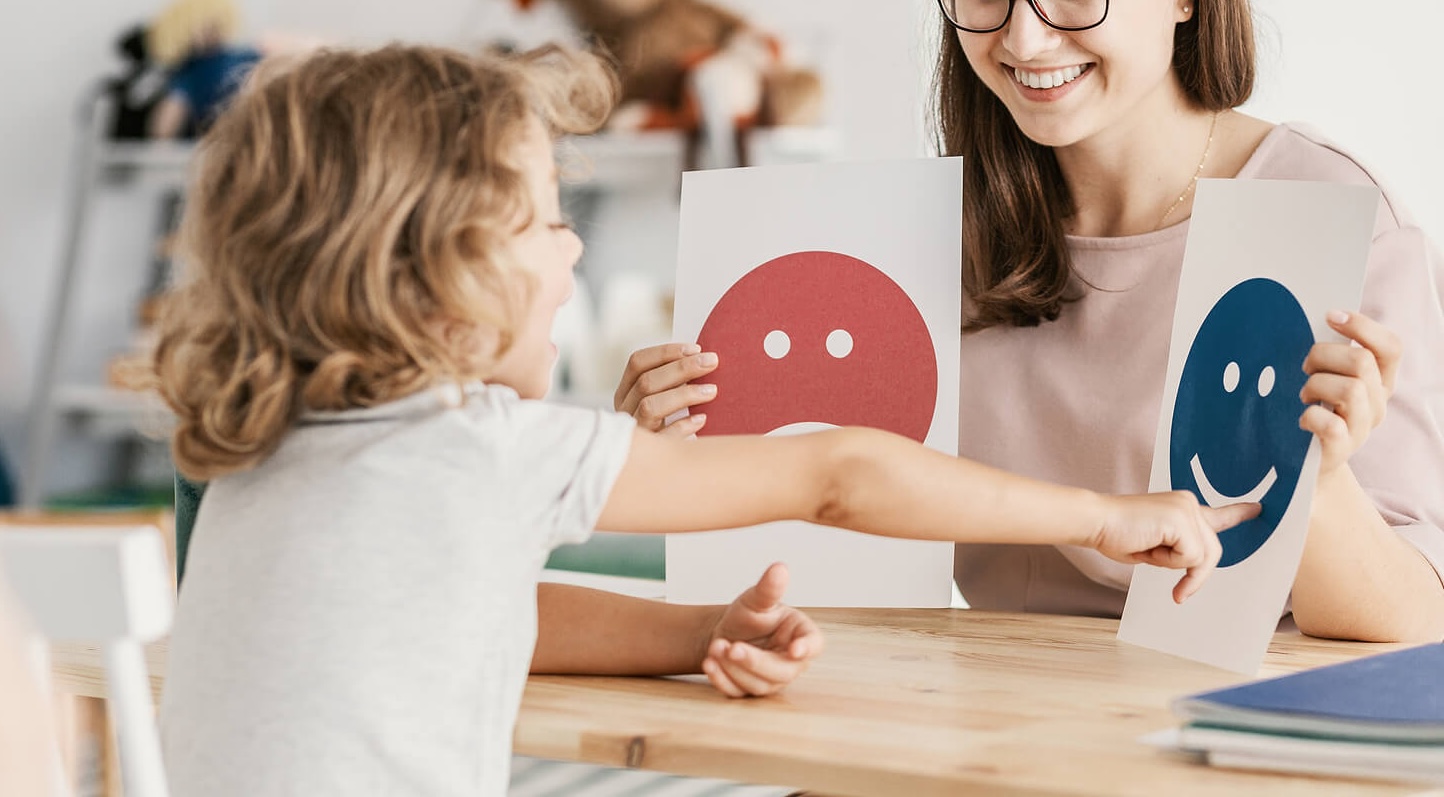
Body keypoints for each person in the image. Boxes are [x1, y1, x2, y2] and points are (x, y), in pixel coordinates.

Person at [149, 43, 1251, 796]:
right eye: (541, 222)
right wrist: (1102, 515)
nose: (572, 247)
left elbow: (477, 601)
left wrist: (693, 633)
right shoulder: (480, 449)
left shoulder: (268, 452)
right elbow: (839, 471)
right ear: (430, 280)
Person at [617, 0, 1444, 643]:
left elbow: (1409, 619)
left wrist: (1321, 480)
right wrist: (678, 445)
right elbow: (833, 516)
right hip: (989, 716)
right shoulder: (917, 237)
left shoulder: (1328, 215)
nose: (1025, 39)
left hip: (1223, 733)